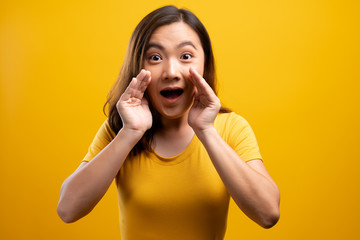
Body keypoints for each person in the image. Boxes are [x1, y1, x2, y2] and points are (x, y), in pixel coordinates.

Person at [57, 5, 280, 239]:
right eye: (155, 57)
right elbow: (68, 209)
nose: (171, 71)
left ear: (205, 64)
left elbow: (268, 214)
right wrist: (130, 133)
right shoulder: (121, 129)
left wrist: (206, 130)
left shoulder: (231, 128)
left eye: (186, 56)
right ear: (138, 66)